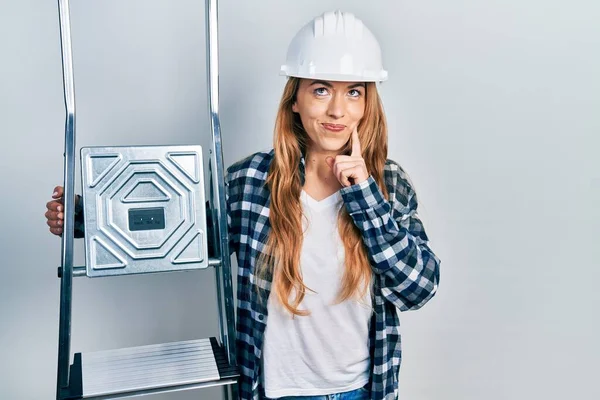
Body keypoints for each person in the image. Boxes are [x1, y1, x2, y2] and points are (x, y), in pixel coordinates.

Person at [45, 10, 440, 400]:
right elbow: (187, 234)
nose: (338, 110)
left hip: (361, 391)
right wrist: (87, 218)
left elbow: (418, 290)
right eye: (321, 89)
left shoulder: (388, 184)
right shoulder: (251, 180)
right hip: (275, 391)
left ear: (367, 104)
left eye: (354, 91)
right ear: (295, 101)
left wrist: (364, 196)